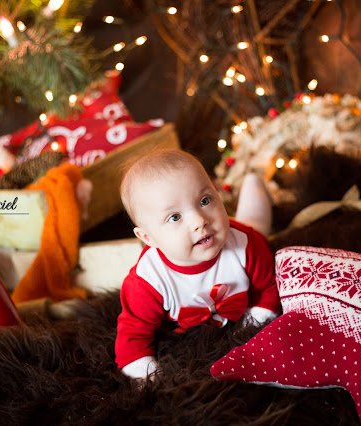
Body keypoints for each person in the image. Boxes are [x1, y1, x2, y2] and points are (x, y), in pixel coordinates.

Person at [115, 149, 281, 380]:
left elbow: (270, 287)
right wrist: (148, 376)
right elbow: (132, 337)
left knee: (256, 223)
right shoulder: (147, 282)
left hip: (246, 231)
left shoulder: (245, 245)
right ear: (148, 238)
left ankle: (253, 183)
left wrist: (255, 321)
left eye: (205, 201)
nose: (199, 221)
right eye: (175, 217)